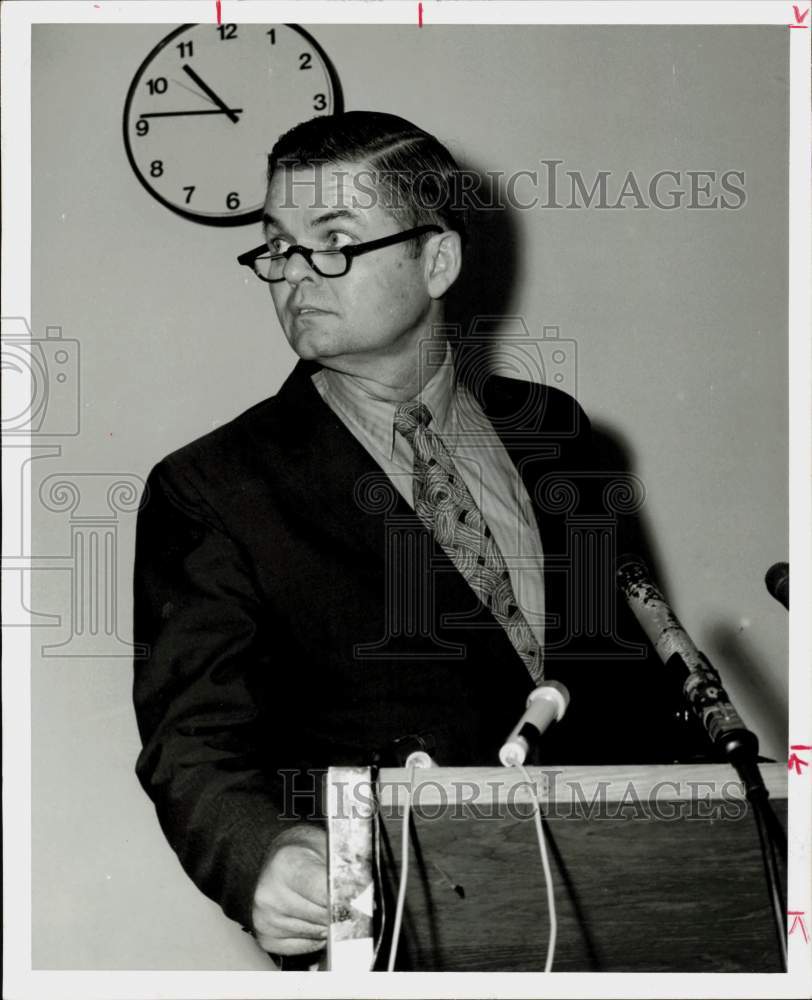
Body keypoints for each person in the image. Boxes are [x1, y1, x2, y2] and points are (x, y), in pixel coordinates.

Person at [132, 111, 695, 964]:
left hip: (629, 913)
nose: (293, 275)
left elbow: (632, 681)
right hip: (407, 930)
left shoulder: (559, 433)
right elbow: (194, 741)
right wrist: (258, 858)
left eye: (334, 240)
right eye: (277, 246)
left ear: (436, 259)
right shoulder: (213, 486)